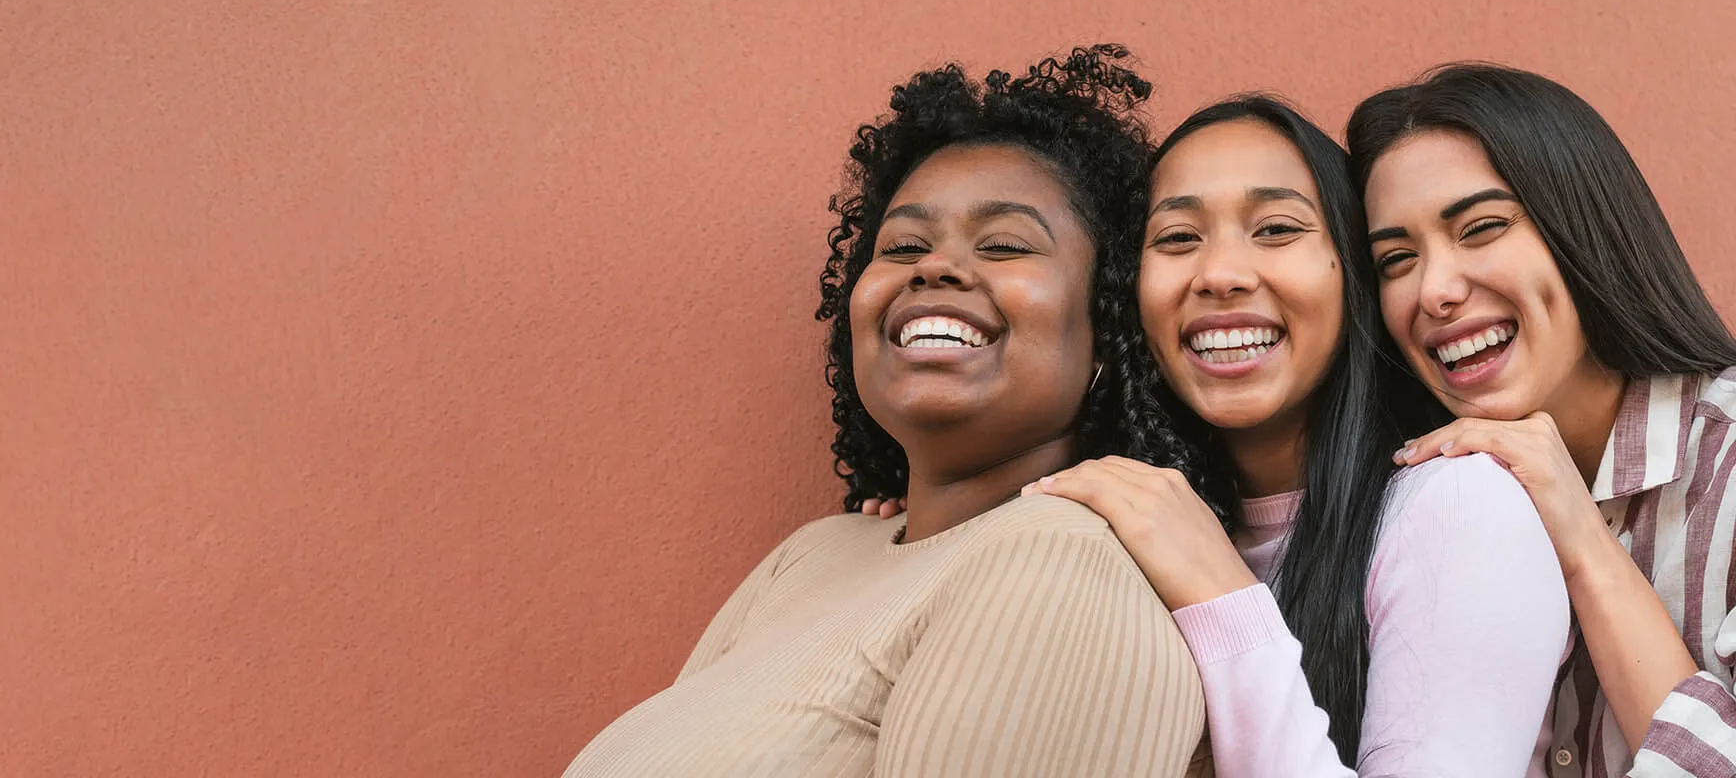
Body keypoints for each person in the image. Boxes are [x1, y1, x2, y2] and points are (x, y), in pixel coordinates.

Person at [563, 47, 1211, 777]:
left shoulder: (1060, 560)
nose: (933, 267)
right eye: (902, 245)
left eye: (1004, 244)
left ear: (1107, 326)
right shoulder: (812, 557)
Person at [1021, 96, 1570, 774]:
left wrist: (1222, 596)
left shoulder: (1458, 504)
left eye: (1276, 229)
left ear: (1354, 275)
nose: (1220, 274)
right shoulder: (1130, 515)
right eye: (1177, 238)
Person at [1353, 63, 1736, 777]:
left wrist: (1587, 545)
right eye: (1396, 259)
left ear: (1584, 227)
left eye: (1482, 227)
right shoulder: (1407, 500)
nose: (1433, 290)